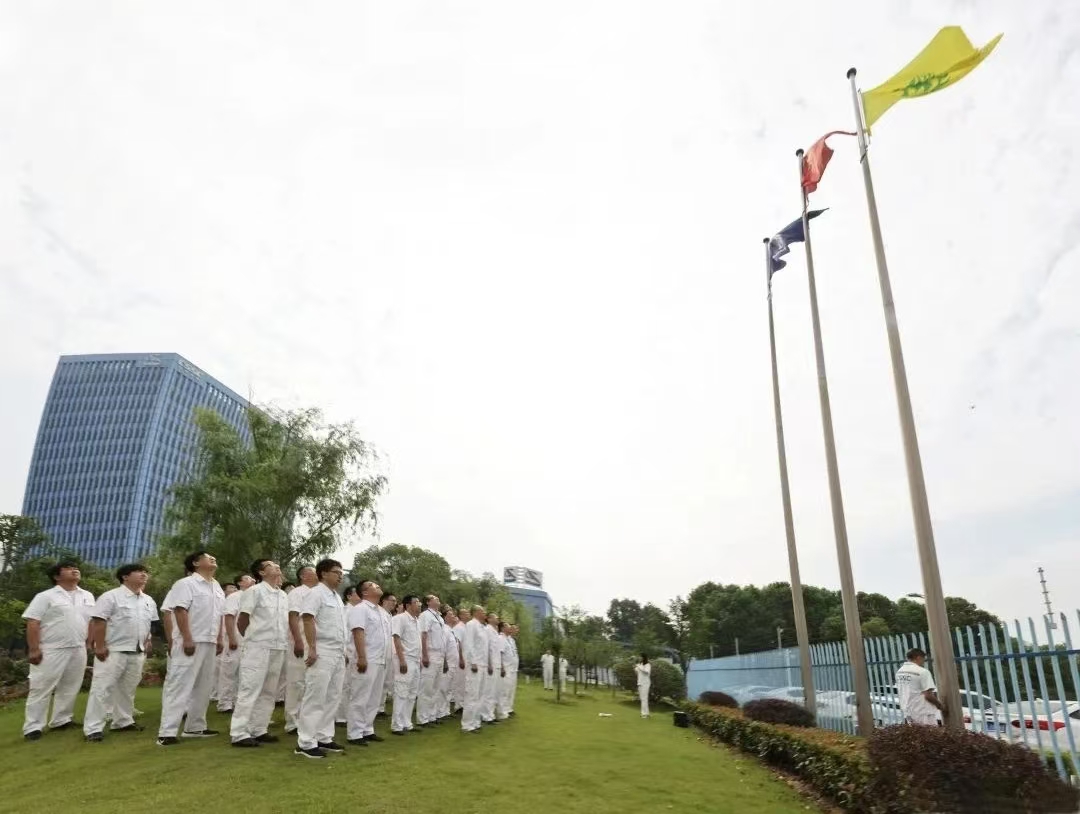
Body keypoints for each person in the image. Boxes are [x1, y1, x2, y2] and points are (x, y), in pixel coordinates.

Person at [21, 561, 96, 740]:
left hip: (78, 647)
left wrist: (89, 643)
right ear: (56, 576)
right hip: (51, 648)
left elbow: (92, 621)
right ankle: (33, 727)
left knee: (70, 686)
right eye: (68, 568)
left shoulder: (87, 595)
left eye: (75, 568)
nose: (74, 570)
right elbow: (33, 622)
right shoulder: (45, 596)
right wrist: (34, 649)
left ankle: (61, 720)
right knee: (41, 687)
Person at [83, 564, 157, 742]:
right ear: (125, 576)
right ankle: (93, 728)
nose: (144, 575)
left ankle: (123, 721)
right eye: (139, 572)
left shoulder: (148, 600)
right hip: (113, 650)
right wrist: (99, 645)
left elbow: (149, 623)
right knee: (102, 689)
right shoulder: (111, 596)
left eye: (146, 572)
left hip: (137, 651)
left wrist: (148, 640)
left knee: (127, 689)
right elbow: (99, 621)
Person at [230, 559, 289, 748]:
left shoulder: (283, 595)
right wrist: (252, 639)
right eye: (270, 565)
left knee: (269, 691)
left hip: (278, 646)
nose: (276, 567)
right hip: (258, 647)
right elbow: (243, 620)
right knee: (249, 688)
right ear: (262, 572)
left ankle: (259, 728)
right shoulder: (254, 591)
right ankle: (239, 732)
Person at [295, 558, 348, 759]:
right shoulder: (316, 593)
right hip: (322, 649)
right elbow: (308, 619)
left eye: (341, 573)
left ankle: (324, 736)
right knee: (315, 696)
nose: (340, 576)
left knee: (332, 696)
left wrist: (344, 651)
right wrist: (312, 648)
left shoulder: (336, 597)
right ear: (323, 574)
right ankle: (305, 742)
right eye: (336, 572)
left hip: (337, 651)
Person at [345, 579, 391, 746]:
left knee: (374, 697)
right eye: (373, 585)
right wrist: (361, 657)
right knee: (360, 696)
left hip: (380, 659)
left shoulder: (382, 612)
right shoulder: (360, 609)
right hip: (367, 658)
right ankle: (355, 733)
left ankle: (367, 729)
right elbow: (358, 632)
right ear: (364, 592)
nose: (377, 586)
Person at [283, 565, 318, 735]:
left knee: (311, 683)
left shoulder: (318, 593)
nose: (317, 574)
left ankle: (306, 719)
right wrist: (297, 640)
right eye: (313, 572)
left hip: (315, 641)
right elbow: (293, 616)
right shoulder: (297, 593)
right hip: (300, 641)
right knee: (296, 681)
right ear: (303, 576)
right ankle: (292, 721)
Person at [217, 573, 255, 713]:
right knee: (229, 671)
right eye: (247, 578)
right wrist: (232, 638)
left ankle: (238, 701)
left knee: (244, 672)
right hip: (236, 639)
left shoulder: (253, 596)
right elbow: (229, 617)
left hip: (249, 640)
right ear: (240, 583)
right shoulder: (235, 597)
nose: (252, 580)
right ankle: (225, 703)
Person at [391, 594, 423, 735]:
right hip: (405, 658)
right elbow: (396, 639)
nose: (419, 604)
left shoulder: (417, 621)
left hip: (415, 659)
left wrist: (419, 659)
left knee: (412, 693)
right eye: (416, 602)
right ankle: (397, 725)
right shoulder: (400, 618)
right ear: (408, 605)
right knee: (402, 691)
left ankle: (406, 722)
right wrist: (402, 659)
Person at [417, 594, 446, 727]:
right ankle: (423, 718)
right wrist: (424, 655)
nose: (438, 599)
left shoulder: (439, 617)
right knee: (426, 688)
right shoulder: (425, 615)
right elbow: (423, 635)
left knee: (436, 688)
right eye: (435, 598)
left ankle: (432, 715)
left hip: (440, 654)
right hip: (431, 653)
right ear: (428, 602)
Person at [896, 648, 945, 726]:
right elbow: (928, 695)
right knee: (930, 733)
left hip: (908, 711)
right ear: (918, 658)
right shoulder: (922, 672)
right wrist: (940, 706)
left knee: (916, 733)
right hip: (923, 712)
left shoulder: (899, 672)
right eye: (923, 660)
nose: (923, 662)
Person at [461, 605, 488, 733]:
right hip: (475, 664)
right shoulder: (471, 624)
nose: (484, 613)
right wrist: (472, 662)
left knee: (480, 695)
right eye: (482, 611)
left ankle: (476, 722)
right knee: (472, 694)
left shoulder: (481, 627)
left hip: (482, 664)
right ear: (476, 612)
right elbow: (468, 644)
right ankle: (467, 724)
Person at [376, 591, 397, 717]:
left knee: (386, 681)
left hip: (389, 652)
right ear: (384, 601)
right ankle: (375, 708)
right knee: (377, 682)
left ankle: (381, 707)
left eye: (395, 601)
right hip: (379, 652)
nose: (394, 603)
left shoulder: (390, 616)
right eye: (392, 600)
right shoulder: (378, 612)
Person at [440, 608, 463, 717]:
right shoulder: (444, 629)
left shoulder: (451, 630)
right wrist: (445, 662)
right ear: (445, 617)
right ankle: (440, 711)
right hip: (447, 663)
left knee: (449, 688)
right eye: (450, 614)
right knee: (443, 688)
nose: (453, 616)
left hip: (453, 664)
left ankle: (446, 711)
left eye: (453, 614)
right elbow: (442, 647)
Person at [450, 608, 470, 713]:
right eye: (465, 613)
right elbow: (458, 644)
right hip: (461, 658)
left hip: (468, 658)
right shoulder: (458, 628)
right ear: (461, 615)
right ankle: (459, 705)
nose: (468, 614)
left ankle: (464, 703)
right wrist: (461, 658)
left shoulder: (467, 627)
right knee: (460, 682)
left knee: (466, 682)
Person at [501, 623, 519, 717]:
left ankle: (509, 708)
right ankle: (503, 711)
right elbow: (500, 653)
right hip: (507, 667)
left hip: (513, 669)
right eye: (513, 628)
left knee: (511, 690)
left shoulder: (511, 640)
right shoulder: (502, 638)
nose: (516, 631)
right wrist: (502, 667)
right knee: (505, 690)